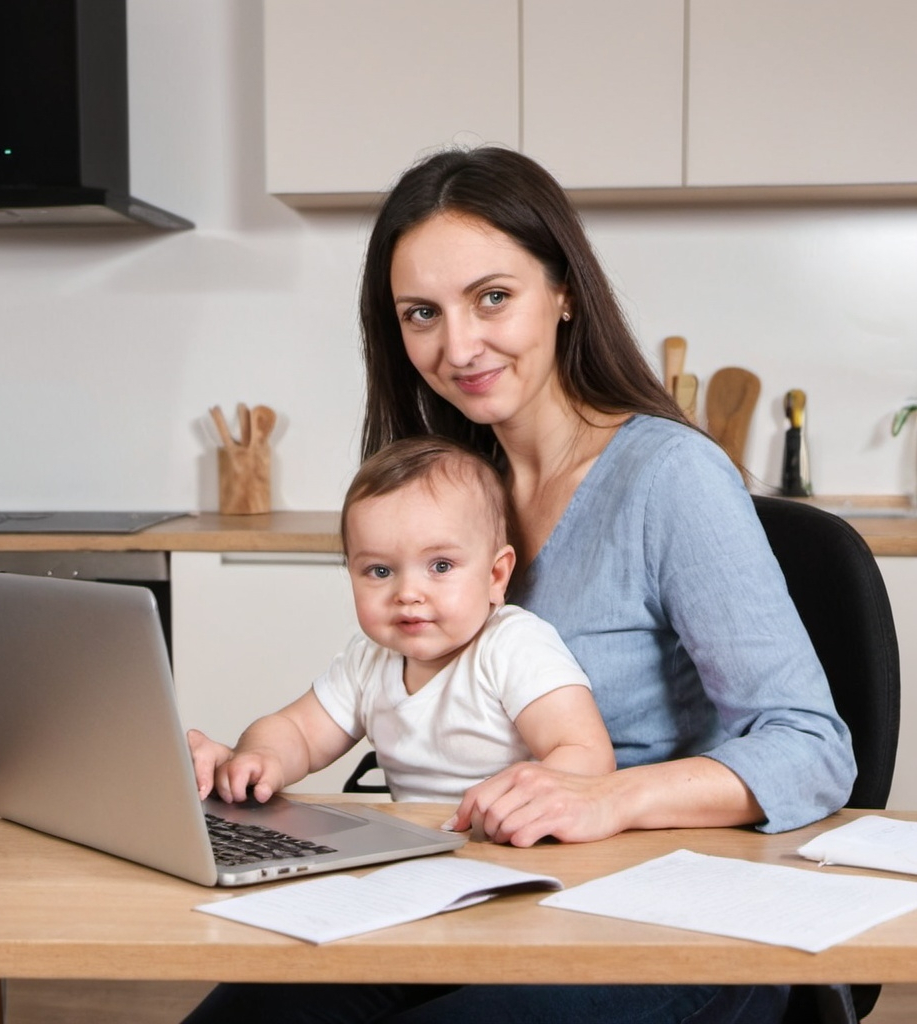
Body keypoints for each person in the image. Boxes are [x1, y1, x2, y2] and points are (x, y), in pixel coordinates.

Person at [182, 146, 856, 1024]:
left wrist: (607, 795)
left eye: (492, 297)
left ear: (564, 290)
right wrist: (248, 764)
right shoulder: (455, 490)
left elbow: (811, 745)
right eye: (421, 313)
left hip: (665, 920)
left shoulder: (670, 477)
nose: (458, 346)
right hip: (472, 895)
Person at [188, 434, 614, 808]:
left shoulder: (513, 645)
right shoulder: (369, 660)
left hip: (518, 847)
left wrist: (519, 795)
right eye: (380, 571)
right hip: (422, 855)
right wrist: (261, 757)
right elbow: (297, 730)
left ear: (495, 575)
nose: (408, 593)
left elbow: (587, 753)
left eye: (441, 566)